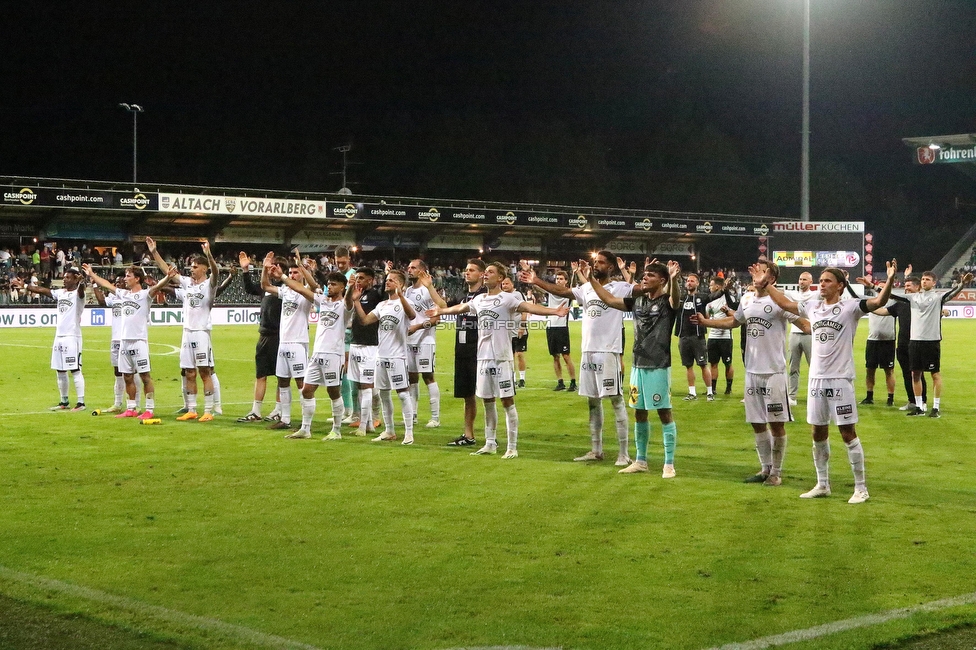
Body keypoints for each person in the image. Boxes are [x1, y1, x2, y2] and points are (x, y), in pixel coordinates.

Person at [763, 260, 897, 504]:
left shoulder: (851, 307)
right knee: (817, 432)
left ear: (840, 286)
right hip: (816, 380)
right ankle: (822, 484)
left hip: (840, 379)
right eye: (821, 280)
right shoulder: (812, 305)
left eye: (827, 281)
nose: (821, 284)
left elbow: (879, 302)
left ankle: (861, 488)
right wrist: (766, 284)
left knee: (847, 433)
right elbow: (785, 303)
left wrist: (888, 281)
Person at [431, 262, 569, 458]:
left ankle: (512, 447)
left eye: (490, 272)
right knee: (487, 401)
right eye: (485, 272)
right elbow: (461, 308)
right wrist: (441, 311)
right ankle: (490, 443)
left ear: (500, 278)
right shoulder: (479, 300)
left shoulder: (507, 299)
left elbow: (529, 307)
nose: (486, 275)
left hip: (502, 358)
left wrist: (554, 311)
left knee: (507, 402)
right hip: (483, 358)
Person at [692, 262, 809, 485]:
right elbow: (735, 321)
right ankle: (765, 468)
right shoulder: (747, 300)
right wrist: (707, 322)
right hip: (752, 370)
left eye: (763, 272)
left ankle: (777, 472)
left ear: (772, 278)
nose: (757, 275)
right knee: (757, 422)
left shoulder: (779, 301)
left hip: (774, 371)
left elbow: (804, 325)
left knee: (776, 423)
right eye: (756, 271)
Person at [521, 251, 633, 466]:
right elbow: (561, 291)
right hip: (588, 351)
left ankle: (624, 453)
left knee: (616, 400)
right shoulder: (586, 288)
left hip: (608, 351)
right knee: (592, 401)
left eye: (601, 262)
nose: (596, 265)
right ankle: (596, 450)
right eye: (595, 262)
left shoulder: (619, 287)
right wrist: (536, 280)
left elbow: (638, 290)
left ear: (610, 267)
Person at [585, 260, 682, 478]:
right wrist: (590, 279)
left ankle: (669, 463)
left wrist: (674, 279)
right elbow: (609, 299)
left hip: (658, 365)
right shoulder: (636, 300)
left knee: (664, 413)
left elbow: (676, 299)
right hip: (638, 364)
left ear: (662, 280)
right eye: (644, 275)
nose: (644, 278)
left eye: (650, 276)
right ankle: (641, 460)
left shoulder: (668, 301)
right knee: (639, 413)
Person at [83, 263, 178, 419]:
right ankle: (131, 408)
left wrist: (168, 277)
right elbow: (106, 285)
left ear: (137, 279)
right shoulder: (123, 295)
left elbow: (158, 287)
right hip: (124, 342)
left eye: (128, 276)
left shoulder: (145, 295)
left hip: (139, 341)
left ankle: (149, 409)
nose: (125, 279)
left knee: (145, 376)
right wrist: (92, 275)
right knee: (127, 376)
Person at [146, 237, 220, 422]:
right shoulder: (187, 284)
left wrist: (209, 255)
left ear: (204, 268)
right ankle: (192, 409)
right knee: (189, 372)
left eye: (195, 267)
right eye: (191, 267)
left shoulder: (209, 284)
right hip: (187, 333)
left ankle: (209, 411)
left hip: (201, 332)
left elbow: (217, 272)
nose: (191, 269)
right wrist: (154, 252)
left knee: (204, 372)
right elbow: (167, 271)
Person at [272, 268, 351, 439]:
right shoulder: (323, 301)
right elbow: (301, 289)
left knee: (333, 391)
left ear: (342, 287)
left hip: (334, 355)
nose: (329, 287)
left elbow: (351, 299)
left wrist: (351, 289)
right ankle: (305, 429)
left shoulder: (345, 305)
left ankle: (336, 430)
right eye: (328, 283)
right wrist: (283, 277)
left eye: (333, 284)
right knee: (307, 390)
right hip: (317, 354)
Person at [893, 268, 972, 418]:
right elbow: (891, 295)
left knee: (935, 374)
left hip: (931, 341)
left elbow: (952, 294)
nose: (924, 281)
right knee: (915, 374)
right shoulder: (913, 297)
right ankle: (919, 407)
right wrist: (872, 287)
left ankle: (935, 407)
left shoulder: (938, 298)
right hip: (915, 341)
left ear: (934, 283)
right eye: (923, 279)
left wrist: (962, 284)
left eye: (928, 279)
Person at [352, 269, 417, 444]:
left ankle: (409, 433)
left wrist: (401, 296)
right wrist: (357, 302)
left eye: (392, 280)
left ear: (401, 284)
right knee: (384, 395)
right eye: (387, 280)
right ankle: (389, 431)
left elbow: (412, 315)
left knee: (403, 394)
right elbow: (365, 321)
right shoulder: (382, 305)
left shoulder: (406, 303)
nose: (387, 282)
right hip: (381, 357)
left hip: (398, 357)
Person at [13, 266, 88, 411]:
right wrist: (26, 286)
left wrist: (81, 281)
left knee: (75, 369)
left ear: (75, 279)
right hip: (59, 336)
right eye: (64, 277)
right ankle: (64, 401)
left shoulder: (79, 294)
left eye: (67, 278)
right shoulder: (61, 293)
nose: (64, 280)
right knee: (60, 370)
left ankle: (81, 403)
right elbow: (44, 291)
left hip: (72, 336)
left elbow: (81, 289)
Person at [260, 252, 315, 434]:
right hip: (283, 343)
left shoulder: (305, 292)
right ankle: (285, 419)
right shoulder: (285, 291)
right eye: (290, 273)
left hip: (298, 343)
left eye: (295, 273)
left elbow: (313, 285)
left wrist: (305, 269)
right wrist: (265, 268)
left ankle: (306, 422)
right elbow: (265, 285)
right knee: (283, 381)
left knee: (301, 383)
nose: (292, 276)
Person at [235, 252, 285, 423]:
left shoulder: (286, 289)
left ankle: (279, 410)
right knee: (260, 374)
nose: (270, 272)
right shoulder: (266, 288)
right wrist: (245, 270)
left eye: (273, 268)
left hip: (279, 336)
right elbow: (249, 288)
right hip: (263, 336)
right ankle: (256, 411)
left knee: (281, 376)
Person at [446, 259, 487, 447]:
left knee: (488, 395)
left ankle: (491, 436)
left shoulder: (486, 296)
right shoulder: (462, 296)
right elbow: (444, 308)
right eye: (466, 269)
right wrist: (430, 287)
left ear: (481, 274)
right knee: (467, 395)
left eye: (471, 270)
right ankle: (468, 435)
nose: (467, 273)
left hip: (480, 351)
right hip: (462, 350)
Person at [873, 272, 926, 410]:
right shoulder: (900, 304)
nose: (906, 288)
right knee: (907, 373)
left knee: (918, 373)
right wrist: (866, 307)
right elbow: (883, 311)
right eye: (905, 286)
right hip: (902, 344)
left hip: (917, 342)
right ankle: (912, 401)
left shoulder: (922, 302)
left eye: (909, 286)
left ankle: (923, 402)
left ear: (918, 287)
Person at [92, 274, 141, 413]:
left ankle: (137, 404)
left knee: (133, 371)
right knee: (117, 372)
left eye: (121, 282)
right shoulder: (114, 298)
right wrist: (94, 284)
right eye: (117, 282)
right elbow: (101, 301)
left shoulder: (131, 296)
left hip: (129, 338)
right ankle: (117, 403)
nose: (119, 284)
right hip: (115, 340)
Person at [347, 266, 386, 436]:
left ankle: (365, 425)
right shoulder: (359, 294)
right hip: (355, 343)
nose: (358, 281)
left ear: (370, 280)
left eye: (361, 278)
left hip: (370, 345)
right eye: (357, 278)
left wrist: (385, 274)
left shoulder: (375, 295)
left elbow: (385, 291)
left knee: (367, 386)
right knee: (360, 386)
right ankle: (368, 422)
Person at [404, 259, 442, 428]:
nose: (409, 269)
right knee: (412, 378)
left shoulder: (428, 292)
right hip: (409, 340)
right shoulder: (407, 292)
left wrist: (418, 327)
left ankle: (435, 417)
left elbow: (437, 318)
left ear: (422, 271)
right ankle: (412, 415)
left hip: (425, 340)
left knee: (428, 376)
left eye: (413, 267)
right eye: (409, 267)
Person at [854, 277, 896, 406]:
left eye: (885, 287)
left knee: (889, 371)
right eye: (880, 287)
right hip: (872, 340)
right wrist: (845, 281)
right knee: (870, 370)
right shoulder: (871, 301)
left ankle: (890, 398)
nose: (881, 290)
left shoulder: (894, 301)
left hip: (888, 341)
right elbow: (855, 295)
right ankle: (869, 396)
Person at [675, 272, 713, 401]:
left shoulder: (702, 297)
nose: (689, 283)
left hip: (698, 336)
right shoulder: (681, 298)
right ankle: (692, 393)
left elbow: (715, 296)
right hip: (683, 336)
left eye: (692, 281)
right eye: (688, 281)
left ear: (697, 283)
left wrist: (724, 288)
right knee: (688, 365)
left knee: (703, 364)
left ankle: (709, 392)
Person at [704, 275, 739, 396]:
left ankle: (728, 388)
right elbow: (707, 318)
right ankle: (713, 389)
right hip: (712, 336)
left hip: (725, 337)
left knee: (727, 363)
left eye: (711, 285)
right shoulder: (709, 301)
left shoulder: (728, 299)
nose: (709, 287)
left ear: (718, 286)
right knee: (713, 363)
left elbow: (735, 316)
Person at [786, 271, 817, 406]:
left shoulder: (816, 295)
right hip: (794, 333)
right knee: (793, 367)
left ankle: (815, 394)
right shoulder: (792, 295)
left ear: (811, 282)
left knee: (814, 366)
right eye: (800, 279)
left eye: (805, 279)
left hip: (810, 334)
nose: (801, 281)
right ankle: (792, 396)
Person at [545, 270, 576, 392]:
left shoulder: (568, 293)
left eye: (561, 279)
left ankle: (573, 382)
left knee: (566, 356)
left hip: (562, 327)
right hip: (550, 326)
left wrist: (575, 272)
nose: (558, 281)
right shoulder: (551, 290)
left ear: (566, 281)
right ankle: (560, 381)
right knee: (555, 357)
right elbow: (538, 286)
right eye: (557, 279)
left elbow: (574, 290)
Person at [501, 276, 530, 387]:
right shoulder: (501, 296)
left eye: (507, 284)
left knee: (519, 354)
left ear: (512, 284)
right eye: (503, 284)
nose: (504, 286)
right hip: (508, 331)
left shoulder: (517, 295)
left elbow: (525, 310)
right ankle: (512, 379)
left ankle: (522, 379)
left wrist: (522, 327)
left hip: (519, 330)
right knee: (509, 357)